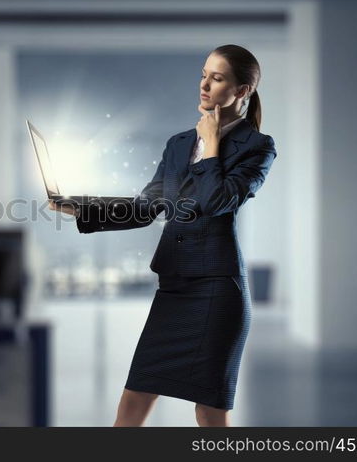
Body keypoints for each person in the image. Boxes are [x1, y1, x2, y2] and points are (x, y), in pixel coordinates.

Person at [49, 44, 277, 427]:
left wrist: (212, 148)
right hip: (174, 289)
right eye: (204, 75)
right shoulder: (178, 144)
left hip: (217, 291)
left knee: (209, 410)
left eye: (217, 78)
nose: (204, 85)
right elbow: (146, 207)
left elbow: (216, 200)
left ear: (242, 92)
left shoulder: (257, 147)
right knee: (134, 399)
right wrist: (77, 205)